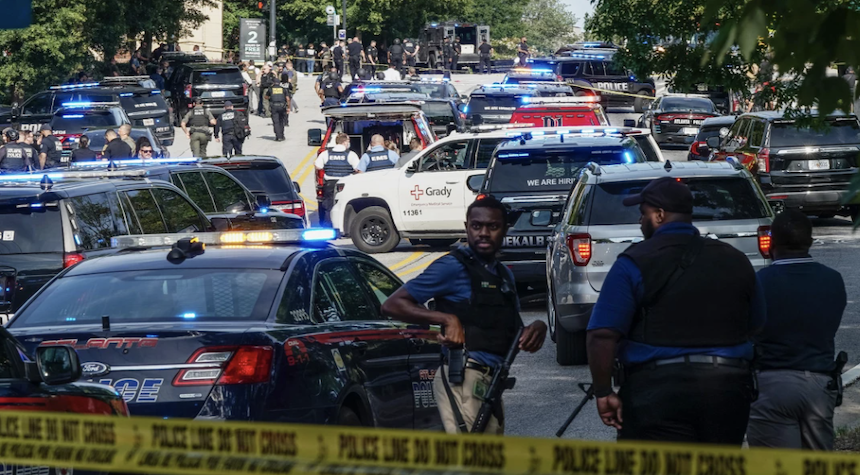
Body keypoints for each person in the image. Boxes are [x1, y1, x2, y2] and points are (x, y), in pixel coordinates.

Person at [586, 177, 765, 444]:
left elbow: (601, 334)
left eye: (643, 213)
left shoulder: (633, 262)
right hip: (727, 391)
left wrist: (603, 392)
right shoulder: (736, 259)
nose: (640, 221)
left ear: (659, 215)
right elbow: (758, 323)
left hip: (656, 393)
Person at [381, 197, 547, 434]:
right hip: (464, 377)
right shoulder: (452, 266)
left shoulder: (503, 274)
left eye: (492, 226)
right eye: (476, 226)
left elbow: (509, 328)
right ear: (467, 227)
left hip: (493, 381)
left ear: (505, 229)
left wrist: (538, 327)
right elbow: (392, 304)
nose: (483, 233)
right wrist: (446, 319)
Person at [747, 210, 846, 450]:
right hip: (819, 384)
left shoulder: (759, 282)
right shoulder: (833, 280)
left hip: (771, 383)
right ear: (810, 242)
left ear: (771, 244)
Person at [314, 132, 360, 226]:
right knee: (345, 205)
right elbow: (358, 169)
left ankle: (329, 227)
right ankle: (344, 226)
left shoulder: (326, 153)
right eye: (348, 141)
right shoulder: (351, 154)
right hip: (345, 184)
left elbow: (317, 166)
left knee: (329, 207)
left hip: (330, 184)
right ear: (345, 142)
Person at [266, 76, 291, 141]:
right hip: (282, 107)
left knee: (276, 122)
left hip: (274, 106)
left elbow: (266, 97)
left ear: (273, 83)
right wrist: (289, 107)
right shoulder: (283, 89)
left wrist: (270, 98)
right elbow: (288, 99)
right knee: (281, 121)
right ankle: (282, 135)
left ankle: (278, 136)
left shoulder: (271, 89)